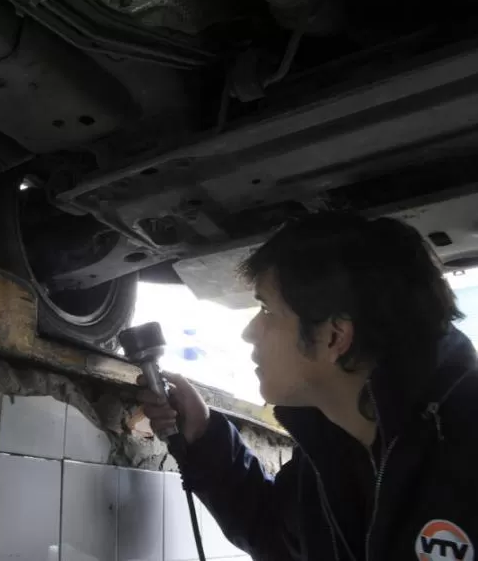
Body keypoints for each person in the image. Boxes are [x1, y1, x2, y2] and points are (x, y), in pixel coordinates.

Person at [139, 212, 478, 561]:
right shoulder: (334, 444)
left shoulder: (465, 443)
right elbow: (274, 532)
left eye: (267, 309)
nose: (250, 332)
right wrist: (204, 435)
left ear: (334, 337)